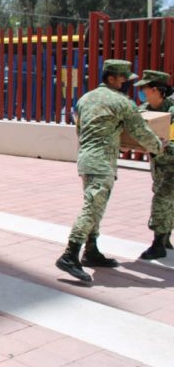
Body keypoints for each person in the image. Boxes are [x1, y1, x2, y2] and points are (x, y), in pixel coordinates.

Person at [55, 60, 163, 282]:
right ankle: (69, 255)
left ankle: (91, 250)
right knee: (91, 208)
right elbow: (141, 132)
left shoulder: (85, 99)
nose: (127, 84)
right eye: (124, 79)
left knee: (96, 206)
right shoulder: (122, 102)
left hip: (87, 159)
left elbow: (81, 129)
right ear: (111, 78)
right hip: (102, 162)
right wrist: (159, 147)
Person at [135, 70, 174, 259]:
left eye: (144, 88)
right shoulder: (144, 109)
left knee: (162, 200)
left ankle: (158, 243)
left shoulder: (172, 112)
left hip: (172, 165)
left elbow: (172, 143)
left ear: (157, 90)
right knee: (167, 201)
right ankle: (165, 237)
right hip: (159, 165)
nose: (141, 92)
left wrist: (157, 145)